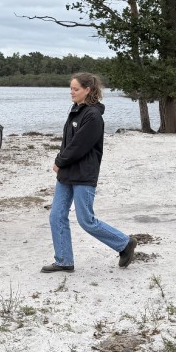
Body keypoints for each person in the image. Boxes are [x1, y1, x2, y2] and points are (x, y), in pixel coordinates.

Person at [42, 72, 136, 273]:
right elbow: (67, 141)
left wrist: (59, 161)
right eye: (71, 89)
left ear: (88, 90)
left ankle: (124, 243)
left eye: (75, 89)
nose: (72, 92)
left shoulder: (93, 116)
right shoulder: (76, 110)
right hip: (67, 174)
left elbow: (79, 146)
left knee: (86, 220)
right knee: (57, 215)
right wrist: (62, 161)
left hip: (84, 174)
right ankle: (64, 260)